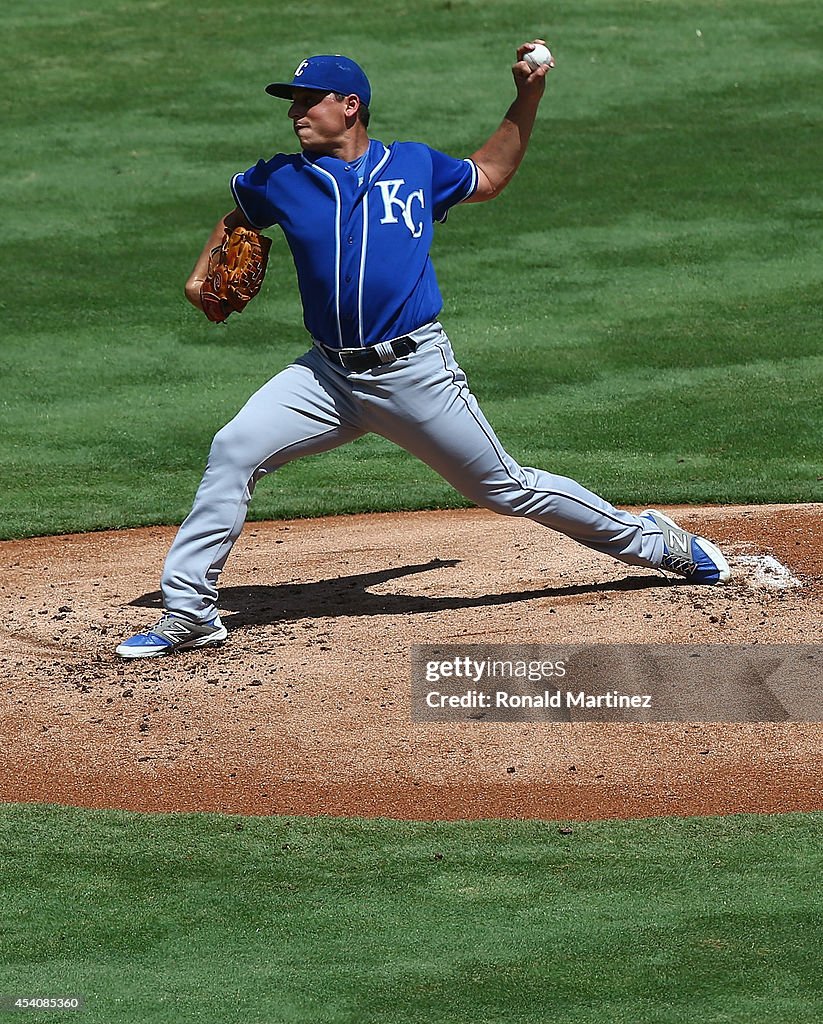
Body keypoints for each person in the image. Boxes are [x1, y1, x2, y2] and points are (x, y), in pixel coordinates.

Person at [116, 45, 731, 659]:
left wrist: (529, 95)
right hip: (326, 375)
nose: (295, 113)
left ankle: (655, 543)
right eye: (292, 103)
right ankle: (189, 610)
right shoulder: (280, 178)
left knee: (506, 488)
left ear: (349, 106)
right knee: (233, 450)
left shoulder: (413, 166)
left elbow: (487, 176)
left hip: (412, 373)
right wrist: (199, 279)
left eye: (307, 101)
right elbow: (236, 217)